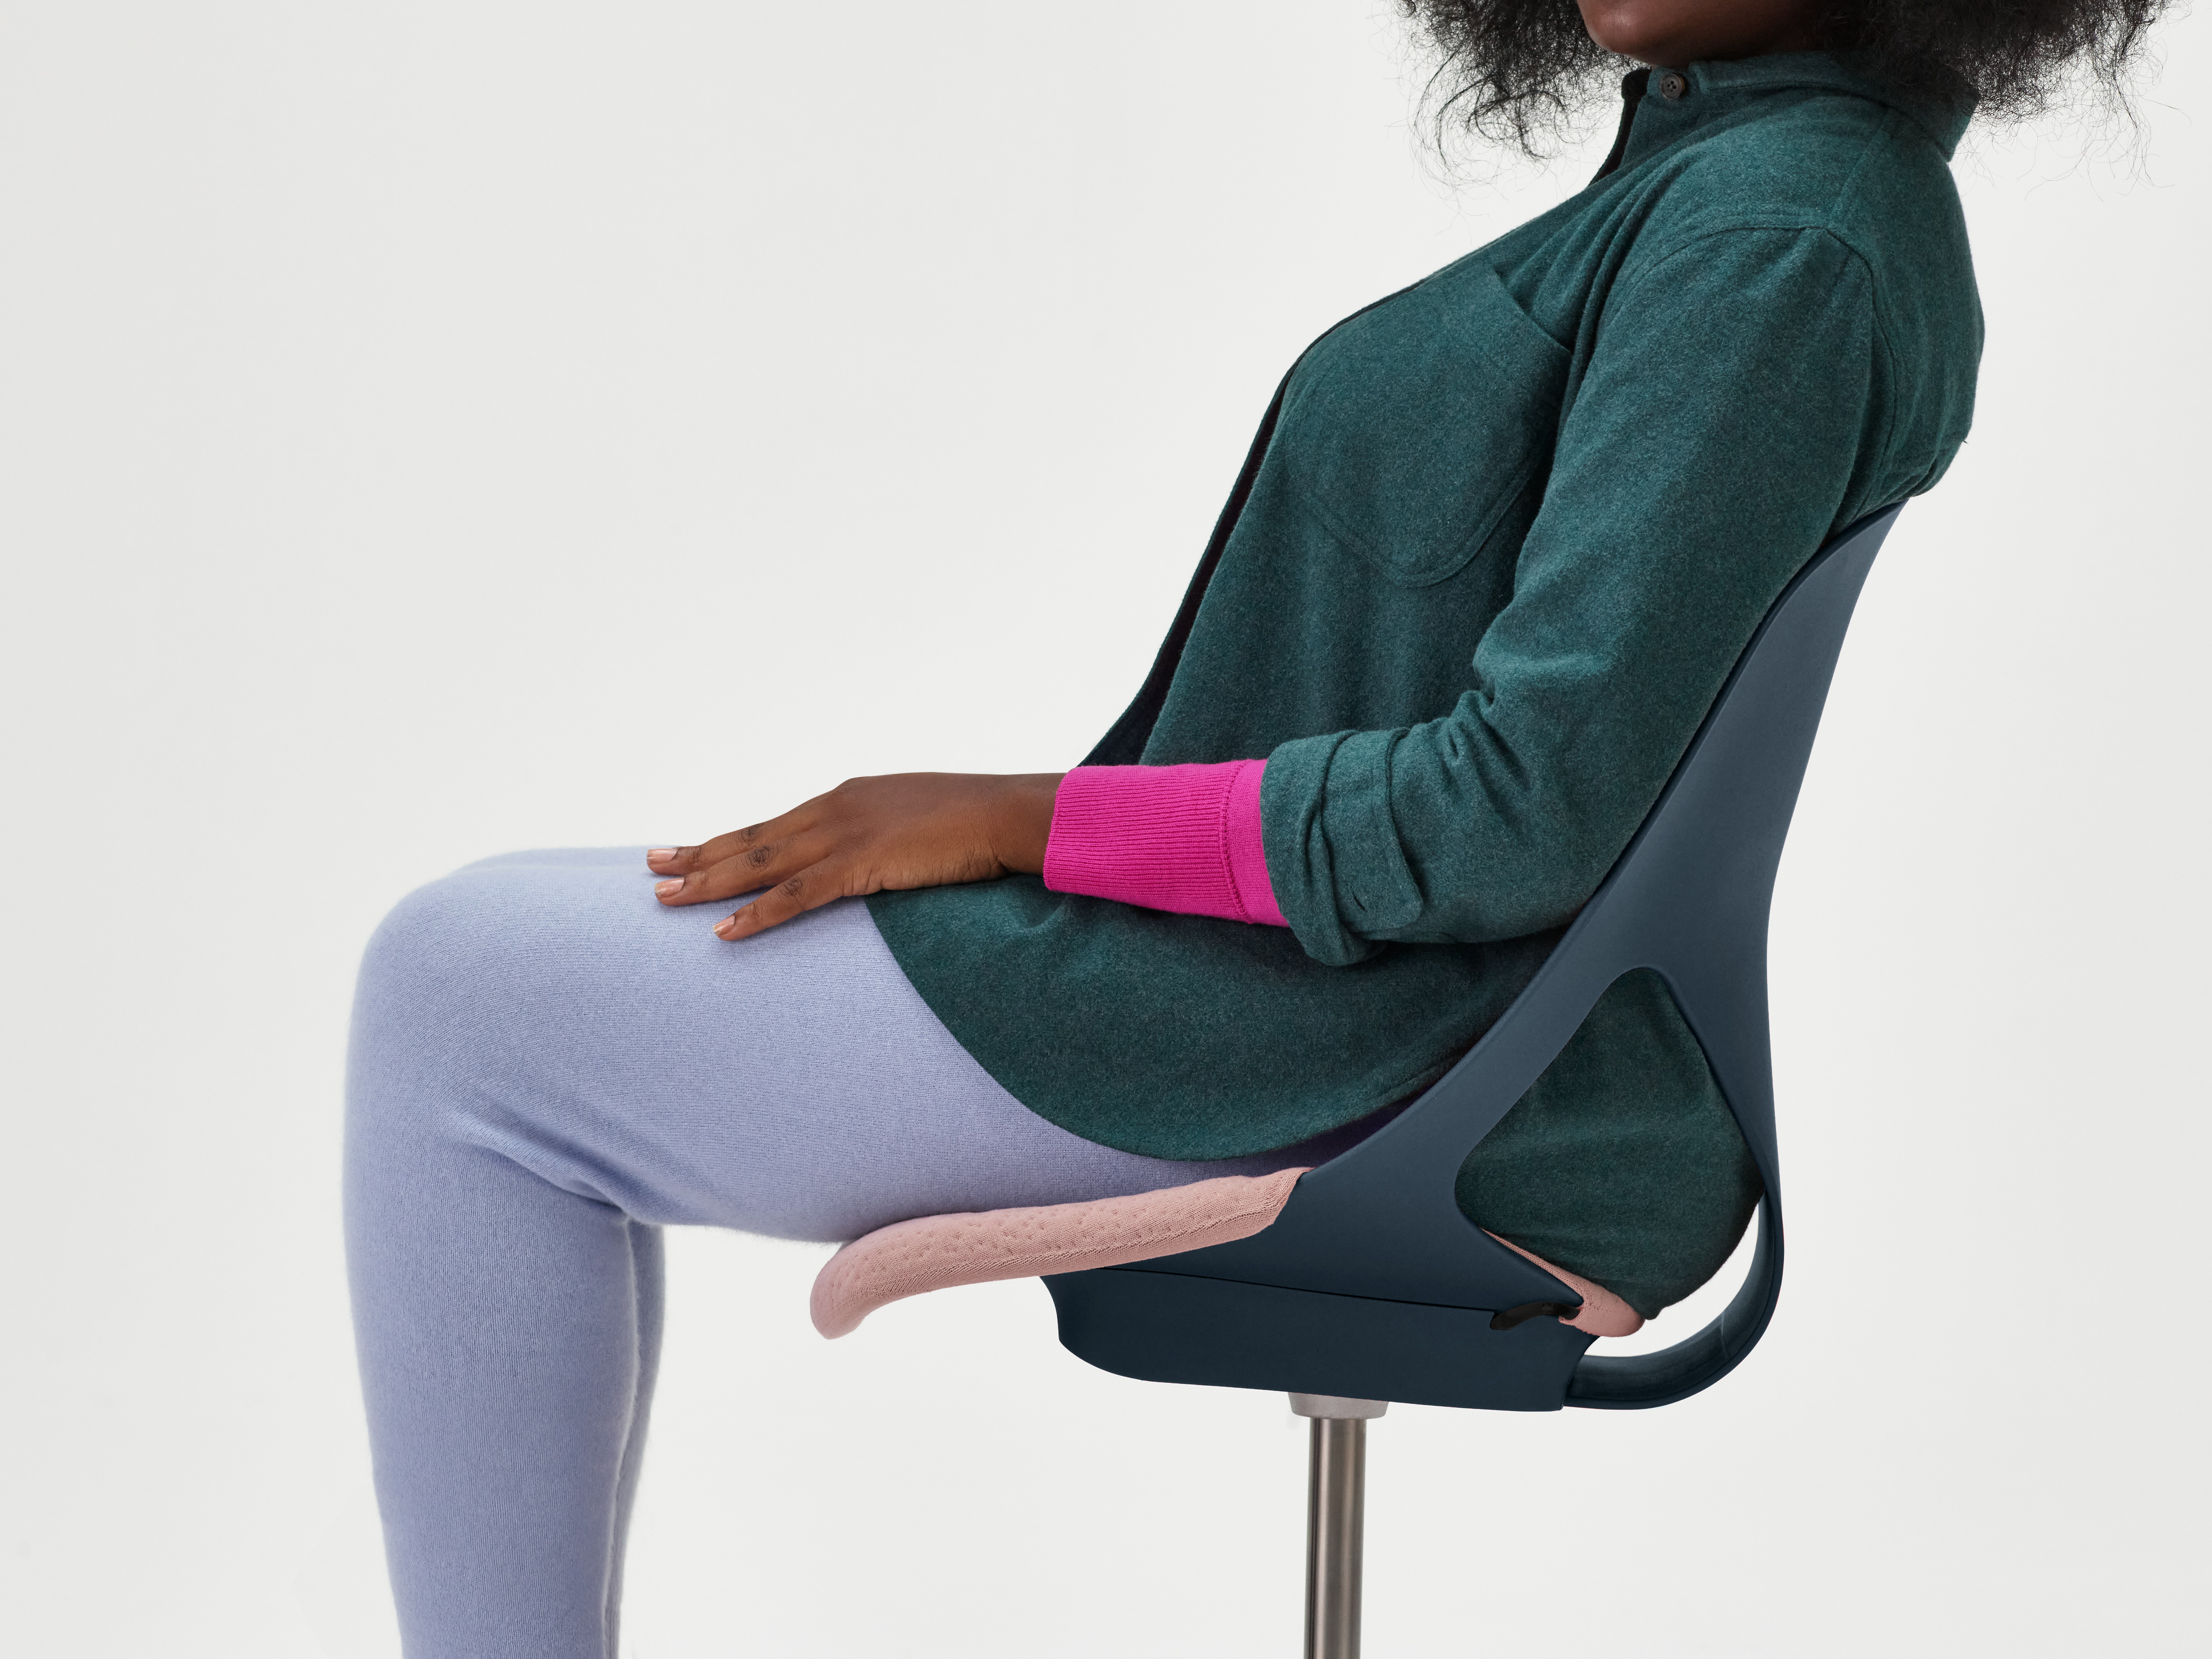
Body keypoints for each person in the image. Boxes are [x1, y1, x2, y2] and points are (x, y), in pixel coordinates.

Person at [344, 0, 2165, 1652]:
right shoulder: (1753, 185)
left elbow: (1513, 814)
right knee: (496, 956)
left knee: (463, 1000)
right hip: (1369, 1004)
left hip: (1382, 1045)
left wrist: (1024, 822)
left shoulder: (1776, 235)